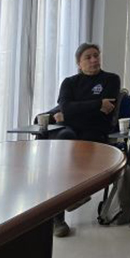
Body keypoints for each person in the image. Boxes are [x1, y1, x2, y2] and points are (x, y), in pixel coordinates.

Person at [51, 42, 121, 237]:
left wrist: (74, 111)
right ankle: (60, 213)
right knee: (63, 141)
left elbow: (105, 114)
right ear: (78, 63)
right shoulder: (69, 82)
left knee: (83, 142)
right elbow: (65, 108)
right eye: (88, 57)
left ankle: (76, 194)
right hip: (71, 131)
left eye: (96, 55)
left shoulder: (111, 79)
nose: (94, 60)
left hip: (96, 132)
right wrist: (97, 104)